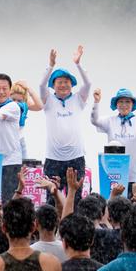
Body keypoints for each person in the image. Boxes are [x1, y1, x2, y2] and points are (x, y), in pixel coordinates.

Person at [39, 46, 92, 186]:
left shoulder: (78, 99)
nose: (63, 85)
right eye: (59, 82)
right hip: (53, 158)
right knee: (52, 196)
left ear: (71, 84)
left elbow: (88, 83)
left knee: (75, 197)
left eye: (66, 82)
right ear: (54, 85)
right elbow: (41, 85)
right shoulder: (48, 100)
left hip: (76, 158)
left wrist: (78, 64)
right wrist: (50, 65)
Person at [91, 87, 136, 192]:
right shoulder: (110, 121)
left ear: (132, 104)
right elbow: (95, 121)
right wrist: (96, 102)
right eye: (120, 101)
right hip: (115, 175)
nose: (124, 104)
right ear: (116, 104)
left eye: (127, 101)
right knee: (115, 206)